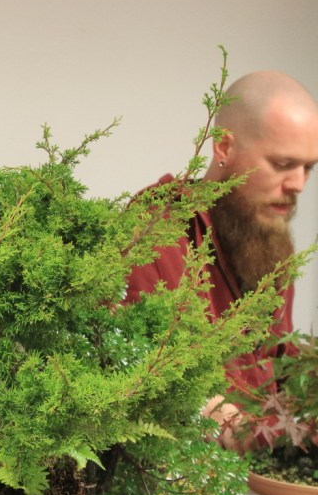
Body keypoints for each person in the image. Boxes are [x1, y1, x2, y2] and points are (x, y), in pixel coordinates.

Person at [125, 70, 318, 449]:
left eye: (308, 167)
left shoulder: (266, 240)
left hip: (261, 465)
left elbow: (280, 363)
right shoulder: (156, 231)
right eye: (282, 164)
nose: (298, 184)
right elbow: (143, 373)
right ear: (224, 147)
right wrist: (253, 431)